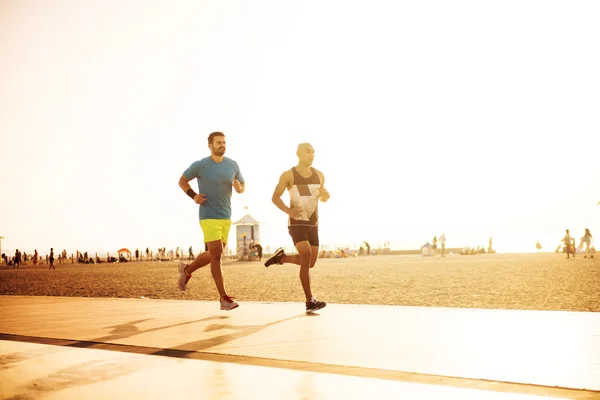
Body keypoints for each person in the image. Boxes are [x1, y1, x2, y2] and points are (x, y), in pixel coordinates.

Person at [176, 131, 245, 311]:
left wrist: (239, 187)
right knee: (217, 252)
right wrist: (193, 196)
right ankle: (223, 298)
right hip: (207, 214)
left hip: (226, 216)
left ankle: (187, 270)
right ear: (210, 145)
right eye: (218, 143)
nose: (222, 145)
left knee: (215, 254)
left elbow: (242, 186)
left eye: (224, 142)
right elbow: (182, 181)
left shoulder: (233, 165)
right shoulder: (201, 165)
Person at [264, 143, 329, 313]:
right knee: (306, 255)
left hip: (313, 223)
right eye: (308, 151)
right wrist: (288, 210)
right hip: (296, 223)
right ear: (298, 154)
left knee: (310, 263)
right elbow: (275, 197)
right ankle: (310, 300)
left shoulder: (320, 175)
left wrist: (325, 196)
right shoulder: (288, 175)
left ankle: (282, 258)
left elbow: (322, 197)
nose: (312, 155)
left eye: (314, 152)